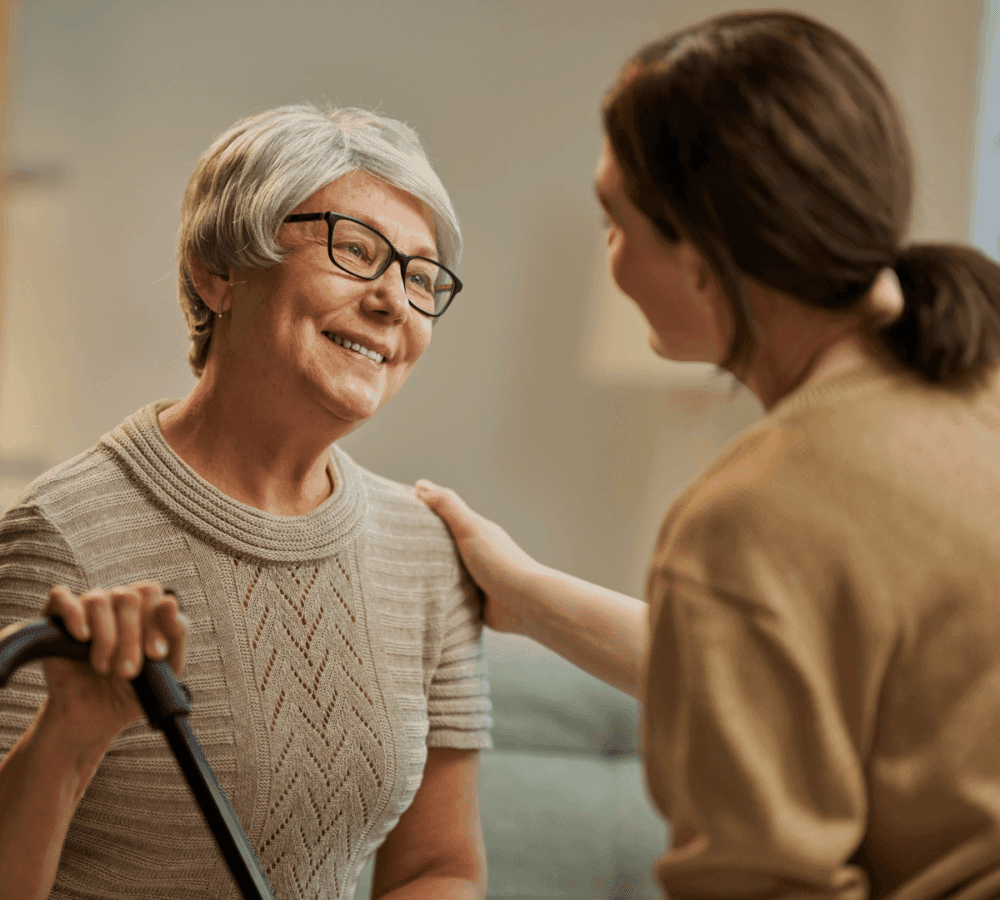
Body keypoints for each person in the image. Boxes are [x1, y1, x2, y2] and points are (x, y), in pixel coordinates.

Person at [416, 10, 1000, 900]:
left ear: (700, 258)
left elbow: (761, 885)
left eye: (616, 223)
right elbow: (803, 674)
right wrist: (529, 599)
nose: (610, 258)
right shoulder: (973, 383)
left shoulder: (759, 510)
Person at [0, 102, 491, 900]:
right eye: (356, 250)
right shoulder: (64, 531)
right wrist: (67, 738)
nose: (393, 300)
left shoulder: (424, 548)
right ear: (217, 272)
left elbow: (442, 868)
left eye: (421, 276)